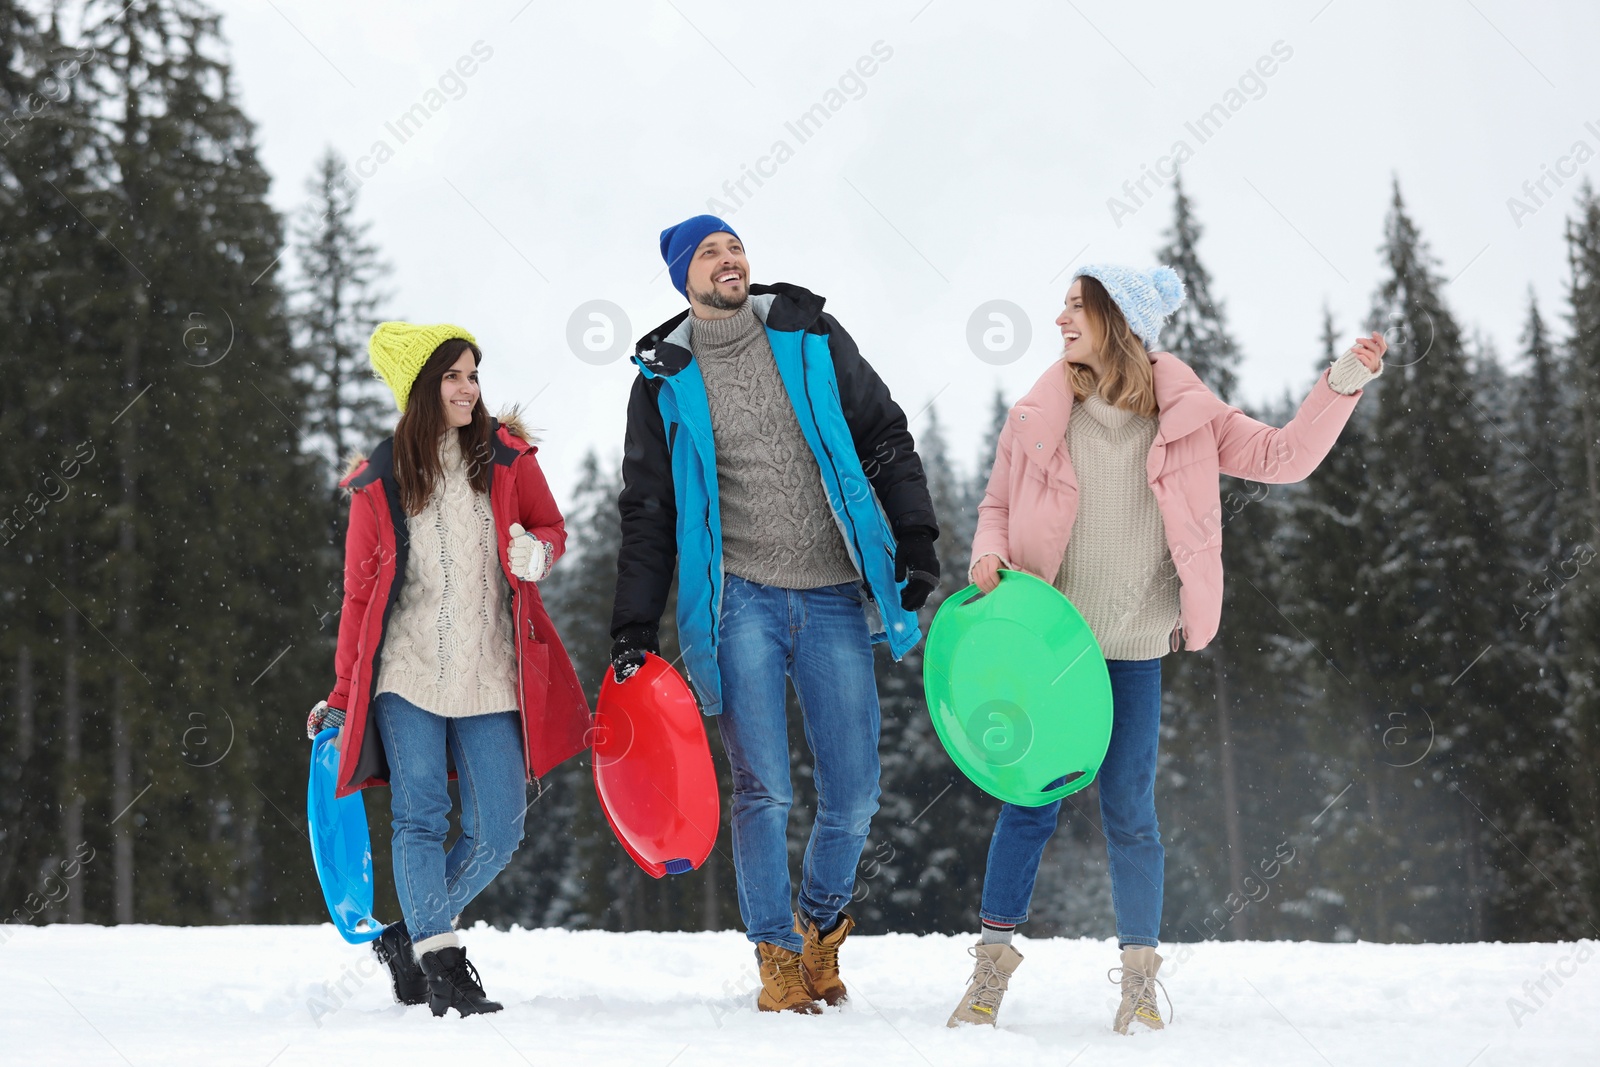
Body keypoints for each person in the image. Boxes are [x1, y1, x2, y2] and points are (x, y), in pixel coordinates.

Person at [945, 265, 1385, 1033]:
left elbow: (1284, 457)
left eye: (1074, 307)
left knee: (1131, 816)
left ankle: (1140, 984)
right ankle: (989, 972)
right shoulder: (1042, 412)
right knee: (1028, 806)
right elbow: (996, 503)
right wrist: (985, 552)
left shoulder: (1188, 416)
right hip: (1051, 650)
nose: (1059, 320)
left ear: (1118, 319)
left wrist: (1339, 383)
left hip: (1135, 649)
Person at [610, 215, 940, 1013]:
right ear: (684, 279)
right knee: (763, 791)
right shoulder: (662, 377)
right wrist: (633, 626)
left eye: (735, 247)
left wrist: (916, 536)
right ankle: (777, 953)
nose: (729, 259)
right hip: (740, 599)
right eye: (709, 254)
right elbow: (649, 511)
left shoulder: (807, 331)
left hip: (831, 590)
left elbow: (884, 435)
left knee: (856, 789)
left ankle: (820, 923)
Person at [307, 322, 591, 1017]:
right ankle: (443, 961)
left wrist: (539, 552)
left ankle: (411, 932)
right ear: (420, 390)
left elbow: (550, 525)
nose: (469, 388)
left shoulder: (507, 457)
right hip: (406, 671)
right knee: (420, 815)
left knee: (500, 825)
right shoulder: (379, 478)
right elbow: (356, 595)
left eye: (473, 374)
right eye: (454, 376)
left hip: (490, 668)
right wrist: (345, 695)